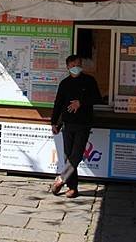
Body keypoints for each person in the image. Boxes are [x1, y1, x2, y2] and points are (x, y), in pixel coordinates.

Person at [51, 54, 101, 198]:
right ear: (67, 67)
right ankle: (73, 188)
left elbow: (97, 98)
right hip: (67, 124)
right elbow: (58, 104)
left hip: (83, 123)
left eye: (78, 65)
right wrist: (54, 122)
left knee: (76, 155)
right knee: (68, 156)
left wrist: (81, 102)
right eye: (73, 66)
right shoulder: (64, 83)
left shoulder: (89, 81)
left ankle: (61, 179)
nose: (76, 68)